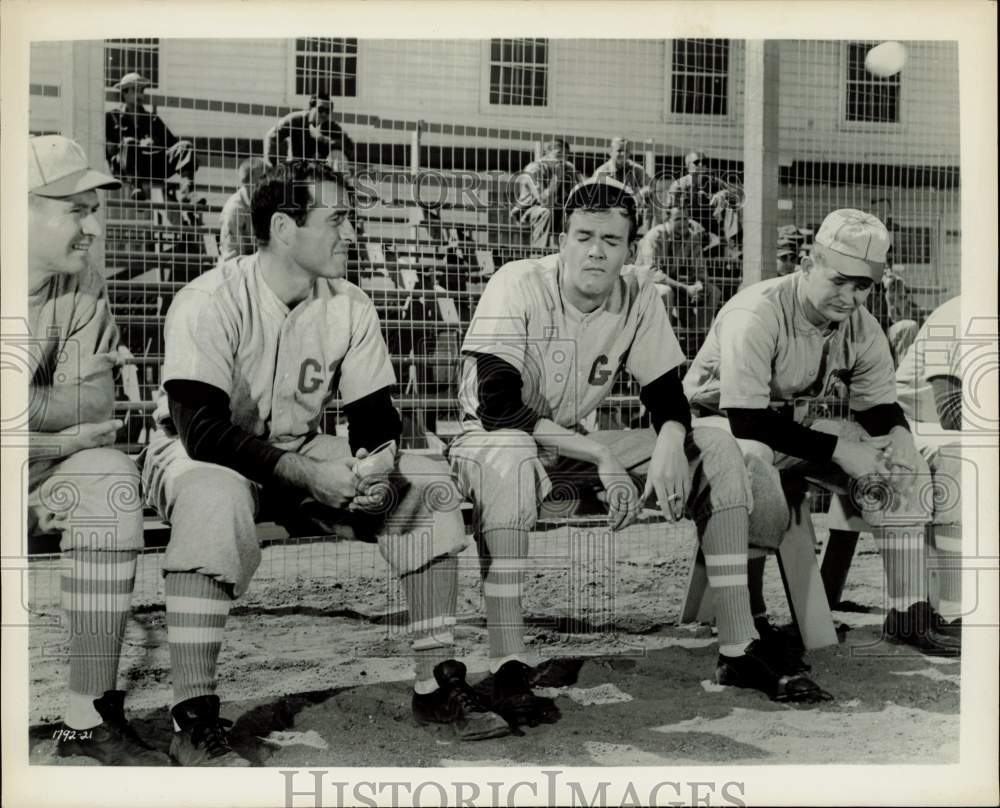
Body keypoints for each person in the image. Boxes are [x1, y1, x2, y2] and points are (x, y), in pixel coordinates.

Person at [141, 161, 509, 766]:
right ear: (284, 228)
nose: (351, 234)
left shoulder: (349, 302)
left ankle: (434, 683)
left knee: (423, 485)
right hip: (191, 453)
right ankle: (194, 714)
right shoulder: (208, 300)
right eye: (336, 219)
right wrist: (309, 475)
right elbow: (201, 430)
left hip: (297, 446)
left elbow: (375, 418)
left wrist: (374, 467)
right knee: (215, 495)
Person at [448, 177, 831, 716]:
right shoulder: (518, 282)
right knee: (511, 457)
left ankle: (738, 647)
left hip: (567, 443)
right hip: (489, 441)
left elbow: (666, 395)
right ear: (562, 239)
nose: (596, 250)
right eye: (583, 236)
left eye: (611, 240)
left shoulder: (637, 293)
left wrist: (674, 438)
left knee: (716, 447)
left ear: (631, 249)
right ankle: (509, 665)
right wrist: (604, 457)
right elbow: (497, 405)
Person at [683, 208, 961, 657]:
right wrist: (839, 450)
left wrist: (898, 437)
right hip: (713, 426)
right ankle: (750, 616)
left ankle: (907, 614)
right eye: (839, 280)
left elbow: (878, 407)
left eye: (862, 285)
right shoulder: (758, 311)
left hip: (789, 427)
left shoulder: (861, 323)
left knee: (897, 458)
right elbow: (746, 419)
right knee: (753, 454)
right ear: (807, 266)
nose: (849, 296)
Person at [26, 135, 169, 765]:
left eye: (94, 209)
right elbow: (67, 408)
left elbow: (95, 407)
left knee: (112, 480)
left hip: (41, 471)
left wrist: (49, 428)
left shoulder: (81, 280)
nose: (93, 226)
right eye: (75, 209)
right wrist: (55, 422)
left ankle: (84, 718)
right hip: (40, 454)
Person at [895, 295, 964, 632]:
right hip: (911, 424)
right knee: (962, 454)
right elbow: (951, 413)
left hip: (951, 425)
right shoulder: (959, 314)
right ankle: (953, 610)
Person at [635, 207, 723, 357]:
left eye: (685, 219)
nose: (682, 223)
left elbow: (700, 268)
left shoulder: (692, 237)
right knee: (666, 292)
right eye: (677, 219)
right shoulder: (654, 237)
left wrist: (699, 284)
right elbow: (652, 273)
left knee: (713, 291)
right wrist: (685, 287)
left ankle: (694, 344)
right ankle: (663, 345)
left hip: (680, 284)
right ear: (667, 220)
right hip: (650, 284)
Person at [105, 73, 198, 200]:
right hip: (126, 168)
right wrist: (136, 144)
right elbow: (110, 151)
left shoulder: (151, 118)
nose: (140, 95)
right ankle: (136, 187)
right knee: (130, 143)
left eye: (142, 90)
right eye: (135, 90)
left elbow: (172, 144)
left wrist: (154, 143)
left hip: (153, 165)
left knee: (185, 146)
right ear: (124, 93)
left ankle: (188, 192)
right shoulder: (112, 117)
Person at [510, 138, 582, 249]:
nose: (562, 159)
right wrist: (557, 177)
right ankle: (538, 254)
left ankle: (565, 254)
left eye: (566, 155)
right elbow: (544, 201)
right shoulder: (534, 168)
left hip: (558, 210)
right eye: (558, 154)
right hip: (530, 210)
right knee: (546, 212)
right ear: (547, 153)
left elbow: (580, 192)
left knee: (577, 213)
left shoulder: (568, 168)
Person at [263, 92, 355, 169]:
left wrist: (323, 139)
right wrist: (272, 163)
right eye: (321, 109)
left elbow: (349, 146)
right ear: (311, 108)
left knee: (337, 155)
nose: (324, 114)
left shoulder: (331, 126)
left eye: (327, 111)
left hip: (321, 171)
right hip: (297, 167)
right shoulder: (296, 120)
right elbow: (271, 136)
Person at [666, 151, 740, 244]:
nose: (701, 164)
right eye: (697, 162)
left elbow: (737, 195)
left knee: (728, 204)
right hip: (689, 225)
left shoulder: (712, 181)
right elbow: (671, 213)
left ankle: (731, 243)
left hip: (711, 222)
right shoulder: (678, 185)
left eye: (704, 162)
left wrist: (723, 194)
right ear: (688, 167)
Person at [590, 137, 653, 232]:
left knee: (651, 199)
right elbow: (594, 196)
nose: (623, 154)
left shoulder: (636, 169)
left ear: (629, 153)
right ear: (611, 152)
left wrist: (639, 195)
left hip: (631, 210)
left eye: (626, 150)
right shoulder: (602, 171)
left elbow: (651, 186)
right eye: (619, 150)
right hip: (609, 212)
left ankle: (647, 235)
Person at [218, 157, 267, 260]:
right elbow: (232, 256)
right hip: (237, 269)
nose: (268, 182)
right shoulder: (234, 209)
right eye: (262, 178)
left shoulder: (263, 202)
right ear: (247, 182)